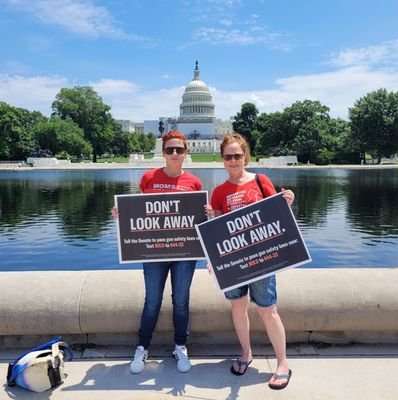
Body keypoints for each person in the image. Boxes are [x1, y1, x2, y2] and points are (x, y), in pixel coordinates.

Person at [208, 133, 295, 390]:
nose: (233, 160)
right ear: (222, 160)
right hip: (234, 261)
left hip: (262, 257)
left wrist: (288, 202)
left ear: (245, 155)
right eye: (228, 157)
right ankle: (246, 352)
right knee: (238, 306)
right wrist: (214, 259)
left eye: (237, 155)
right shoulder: (219, 192)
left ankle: (282, 363)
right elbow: (218, 230)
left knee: (268, 309)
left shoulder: (260, 180)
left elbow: (277, 213)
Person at [113, 130, 202, 374]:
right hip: (154, 252)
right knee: (152, 301)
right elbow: (141, 212)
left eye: (179, 149)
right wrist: (123, 214)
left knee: (181, 301)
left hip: (184, 253)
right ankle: (142, 347)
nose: (174, 154)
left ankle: (180, 346)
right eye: (170, 149)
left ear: (186, 152)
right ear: (163, 152)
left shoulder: (193, 182)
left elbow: (195, 218)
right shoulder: (148, 178)